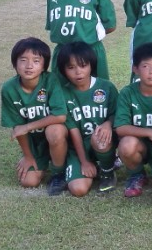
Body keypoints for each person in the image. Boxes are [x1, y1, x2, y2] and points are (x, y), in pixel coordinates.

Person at [0, 37, 68, 195]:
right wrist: (28, 156)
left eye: (36, 61)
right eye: (23, 60)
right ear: (15, 63)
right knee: (29, 182)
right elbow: (18, 128)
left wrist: (28, 126)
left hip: (56, 136)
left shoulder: (51, 80)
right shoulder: (9, 89)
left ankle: (58, 173)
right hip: (34, 142)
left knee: (55, 131)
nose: (29, 66)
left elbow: (60, 116)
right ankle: (40, 159)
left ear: (44, 65)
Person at [56, 41, 119, 197]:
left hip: (102, 141)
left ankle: (107, 171)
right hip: (78, 146)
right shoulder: (63, 94)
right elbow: (73, 130)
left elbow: (117, 114)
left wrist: (108, 123)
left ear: (91, 65)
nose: (78, 72)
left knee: (99, 138)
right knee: (78, 189)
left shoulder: (107, 87)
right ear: (63, 70)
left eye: (83, 65)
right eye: (71, 67)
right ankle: (90, 165)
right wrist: (84, 161)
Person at [114, 42, 152, 197]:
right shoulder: (127, 93)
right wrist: (151, 132)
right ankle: (137, 174)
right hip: (140, 146)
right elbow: (120, 127)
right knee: (126, 144)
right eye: (146, 66)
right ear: (135, 69)